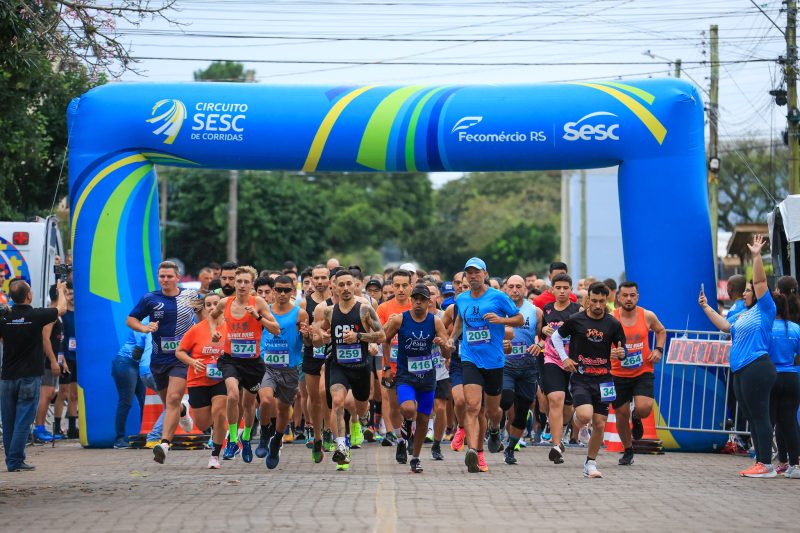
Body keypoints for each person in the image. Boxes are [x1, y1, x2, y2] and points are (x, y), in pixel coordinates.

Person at [699, 234, 777, 478]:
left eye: (747, 290)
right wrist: (706, 307)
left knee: (760, 414)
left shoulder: (765, 309)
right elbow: (724, 326)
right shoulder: (743, 315)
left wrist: (756, 256)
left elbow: (761, 280)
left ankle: (766, 464)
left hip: (757, 366)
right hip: (741, 370)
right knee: (751, 417)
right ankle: (760, 460)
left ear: (757, 292)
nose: (744, 293)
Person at [446, 257, 523, 473]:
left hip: (494, 361)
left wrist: (501, 321)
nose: (473, 276)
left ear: (485, 274)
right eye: (469, 273)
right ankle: (475, 452)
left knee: (492, 411)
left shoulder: (498, 297)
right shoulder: (461, 299)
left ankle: (495, 429)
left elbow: (518, 319)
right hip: (470, 358)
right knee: (472, 406)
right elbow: (460, 320)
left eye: (476, 272)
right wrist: (452, 338)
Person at [551, 282, 626, 478]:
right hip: (581, 377)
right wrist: (564, 358)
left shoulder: (613, 324)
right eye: (594, 301)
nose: (598, 305)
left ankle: (590, 463)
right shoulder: (576, 320)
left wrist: (621, 353)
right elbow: (556, 338)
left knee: (600, 423)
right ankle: (576, 424)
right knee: (585, 415)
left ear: (607, 300)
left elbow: (622, 349)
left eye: (602, 301)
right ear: (588, 300)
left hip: (605, 379)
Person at [127, 261, 198, 464]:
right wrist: (145, 327)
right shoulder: (150, 298)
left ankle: (165, 444)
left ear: (177, 277)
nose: (165, 280)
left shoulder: (191, 296)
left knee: (174, 398)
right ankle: (184, 412)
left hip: (181, 357)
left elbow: (205, 314)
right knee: (171, 403)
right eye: (162, 276)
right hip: (158, 359)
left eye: (169, 276)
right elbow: (130, 319)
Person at [314, 269, 385, 470]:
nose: (345, 288)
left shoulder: (364, 309)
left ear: (355, 286)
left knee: (361, 407)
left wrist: (359, 337)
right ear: (333, 287)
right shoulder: (329, 311)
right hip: (338, 365)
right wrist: (321, 336)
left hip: (361, 366)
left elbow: (381, 336)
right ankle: (341, 447)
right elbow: (318, 339)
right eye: (341, 285)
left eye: (349, 284)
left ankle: (362, 419)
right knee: (337, 402)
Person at [211, 266, 280, 463]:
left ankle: (247, 437)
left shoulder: (258, 302)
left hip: (252, 363)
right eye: (238, 281)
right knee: (232, 394)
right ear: (234, 282)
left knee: (249, 405)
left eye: (245, 282)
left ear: (251, 284)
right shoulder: (225, 302)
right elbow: (213, 316)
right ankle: (232, 440)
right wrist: (215, 332)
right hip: (230, 359)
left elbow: (275, 329)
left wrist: (257, 317)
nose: (241, 285)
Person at [0, 279, 67, 471]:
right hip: (29, 377)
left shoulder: (4, 318)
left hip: (7, 377)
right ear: (28, 295)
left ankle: (14, 458)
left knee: (9, 420)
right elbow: (61, 309)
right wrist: (61, 290)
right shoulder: (36, 315)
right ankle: (14, 460)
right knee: (23, 419)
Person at [383, 284, 450, 473]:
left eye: (423, 299)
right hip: (406, 375)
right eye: (416, 299)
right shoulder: (399, 320)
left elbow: (446, 351)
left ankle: (415, 457)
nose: (419, 302)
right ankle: (405, 427)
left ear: (429, 302)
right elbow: (385, 339)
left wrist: (442, 343)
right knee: (407, 408)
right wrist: (387, 365)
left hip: (428, 377)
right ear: (411, 301)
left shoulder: (435, 322)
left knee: (423, 418)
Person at [259, 275, 312, 469]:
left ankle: (276, 441)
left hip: (290, 368)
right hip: (267, 366)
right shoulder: (265, 311)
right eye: (279, 289)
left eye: (286, 290)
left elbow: (307, 343)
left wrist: (307, 336)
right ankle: (265, 432)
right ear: (273, 290)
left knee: (283, 410)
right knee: (265, 400)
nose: (282, 293)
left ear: (293, 292)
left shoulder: (300, 314)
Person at [611, 281, 667, 466]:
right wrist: (608, 353)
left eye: (632, 295)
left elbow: (661, 331)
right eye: (625, 295)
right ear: (618, 297)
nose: (628, 299)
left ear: (637, 297)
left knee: (643, 409)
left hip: (642, 370)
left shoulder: (647, 315)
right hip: (618, 373)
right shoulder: (611, 318)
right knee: (621, 413)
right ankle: (628, 450)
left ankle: (636, 417)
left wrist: (658, 350)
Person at [175, 292, 228, 469]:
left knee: (220, 413)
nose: (213, 307)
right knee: (203, 423)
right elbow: (179, 351)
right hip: (198, 379)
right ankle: (188, 413)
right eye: (208, 305)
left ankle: (215, 455)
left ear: (222, 306)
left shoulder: (231, 327)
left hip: (221, 379)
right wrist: (192, 361)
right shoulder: (197, 329)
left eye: (216, 304)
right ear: (204, 309)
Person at [500, 275, 542, 465]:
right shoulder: (497, 309)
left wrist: (539, 345)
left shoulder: (535, 311)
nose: (515, 289)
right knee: (506, 400)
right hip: (505, 365)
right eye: (511, 286)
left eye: (519, 286)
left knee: (523, 410)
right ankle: (496, 429)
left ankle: (510, 448)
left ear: (525, 289)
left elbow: (545, 337)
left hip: (528, 367)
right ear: (505, 289)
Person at [540, 273, 582, 463]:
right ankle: (556, 446)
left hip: (572, 362)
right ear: (552, 290)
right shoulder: (547, 310)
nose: (562, 291)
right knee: (555, 398)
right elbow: (540, 333)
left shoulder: (577, 310)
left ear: (571, 290)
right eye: (559, 288)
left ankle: (562, 429)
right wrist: (543, 330)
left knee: (568, 406)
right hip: (552, 359)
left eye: (566, 288)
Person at [376, 269, 414, 455]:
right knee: (394, 406)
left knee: (410, 405)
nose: (400, 289)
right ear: (391, 286)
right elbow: (380, 337)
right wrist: (386, 367)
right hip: (391, 365)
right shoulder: (383, 308)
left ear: (411, 286)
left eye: (404, 285)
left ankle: (410, 431)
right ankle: (400, 439)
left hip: (414, 365)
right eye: (397, 285)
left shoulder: (417, 306)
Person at [298, 264, 333, 463]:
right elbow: (303, 338)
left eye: (323, 278)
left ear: (329, 280)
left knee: (324, 392)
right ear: (311, 280)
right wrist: (306, 336)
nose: (319, 282)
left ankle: (328, 430)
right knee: (313, 397)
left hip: (328, 353)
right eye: (316, 278)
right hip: (311, 352)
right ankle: (317, 436)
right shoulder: (305, 304)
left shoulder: (334, 302)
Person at [768, 285, 800, 478]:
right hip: (791, 377)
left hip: (770, 376)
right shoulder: (796, 328)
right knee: (789, 422)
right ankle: (795, 466)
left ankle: (766, 462)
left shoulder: (766, 327)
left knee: (768, 421)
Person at [111, 321, 152, 449]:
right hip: (126, 362)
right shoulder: (146, 320)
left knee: (145, 402)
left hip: (138, 365)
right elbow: (140, 344)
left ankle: (145, 436)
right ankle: (119, 440)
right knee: (126, 401)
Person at [33, 284, 64, 442]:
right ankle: (39, 428)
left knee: (51, 393)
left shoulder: (57, 315)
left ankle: (41, 427)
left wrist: (61, 360)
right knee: (46, 395)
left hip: (54, 360)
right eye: (64, 294)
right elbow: (45, 339)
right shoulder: (50, 315)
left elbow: (57, 341)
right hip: (46, 361)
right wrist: (52, 361)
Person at [54, 283, 78, 439]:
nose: (72, 298)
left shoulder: (81, 314)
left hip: (77, 358)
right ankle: (56, 428)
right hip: (65, 358)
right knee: (63, 392)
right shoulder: (62, 316)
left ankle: (71, 428)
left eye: (74, 294)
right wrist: (60, 358)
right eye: (68, 294)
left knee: (74, 394)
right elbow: (59, 339)